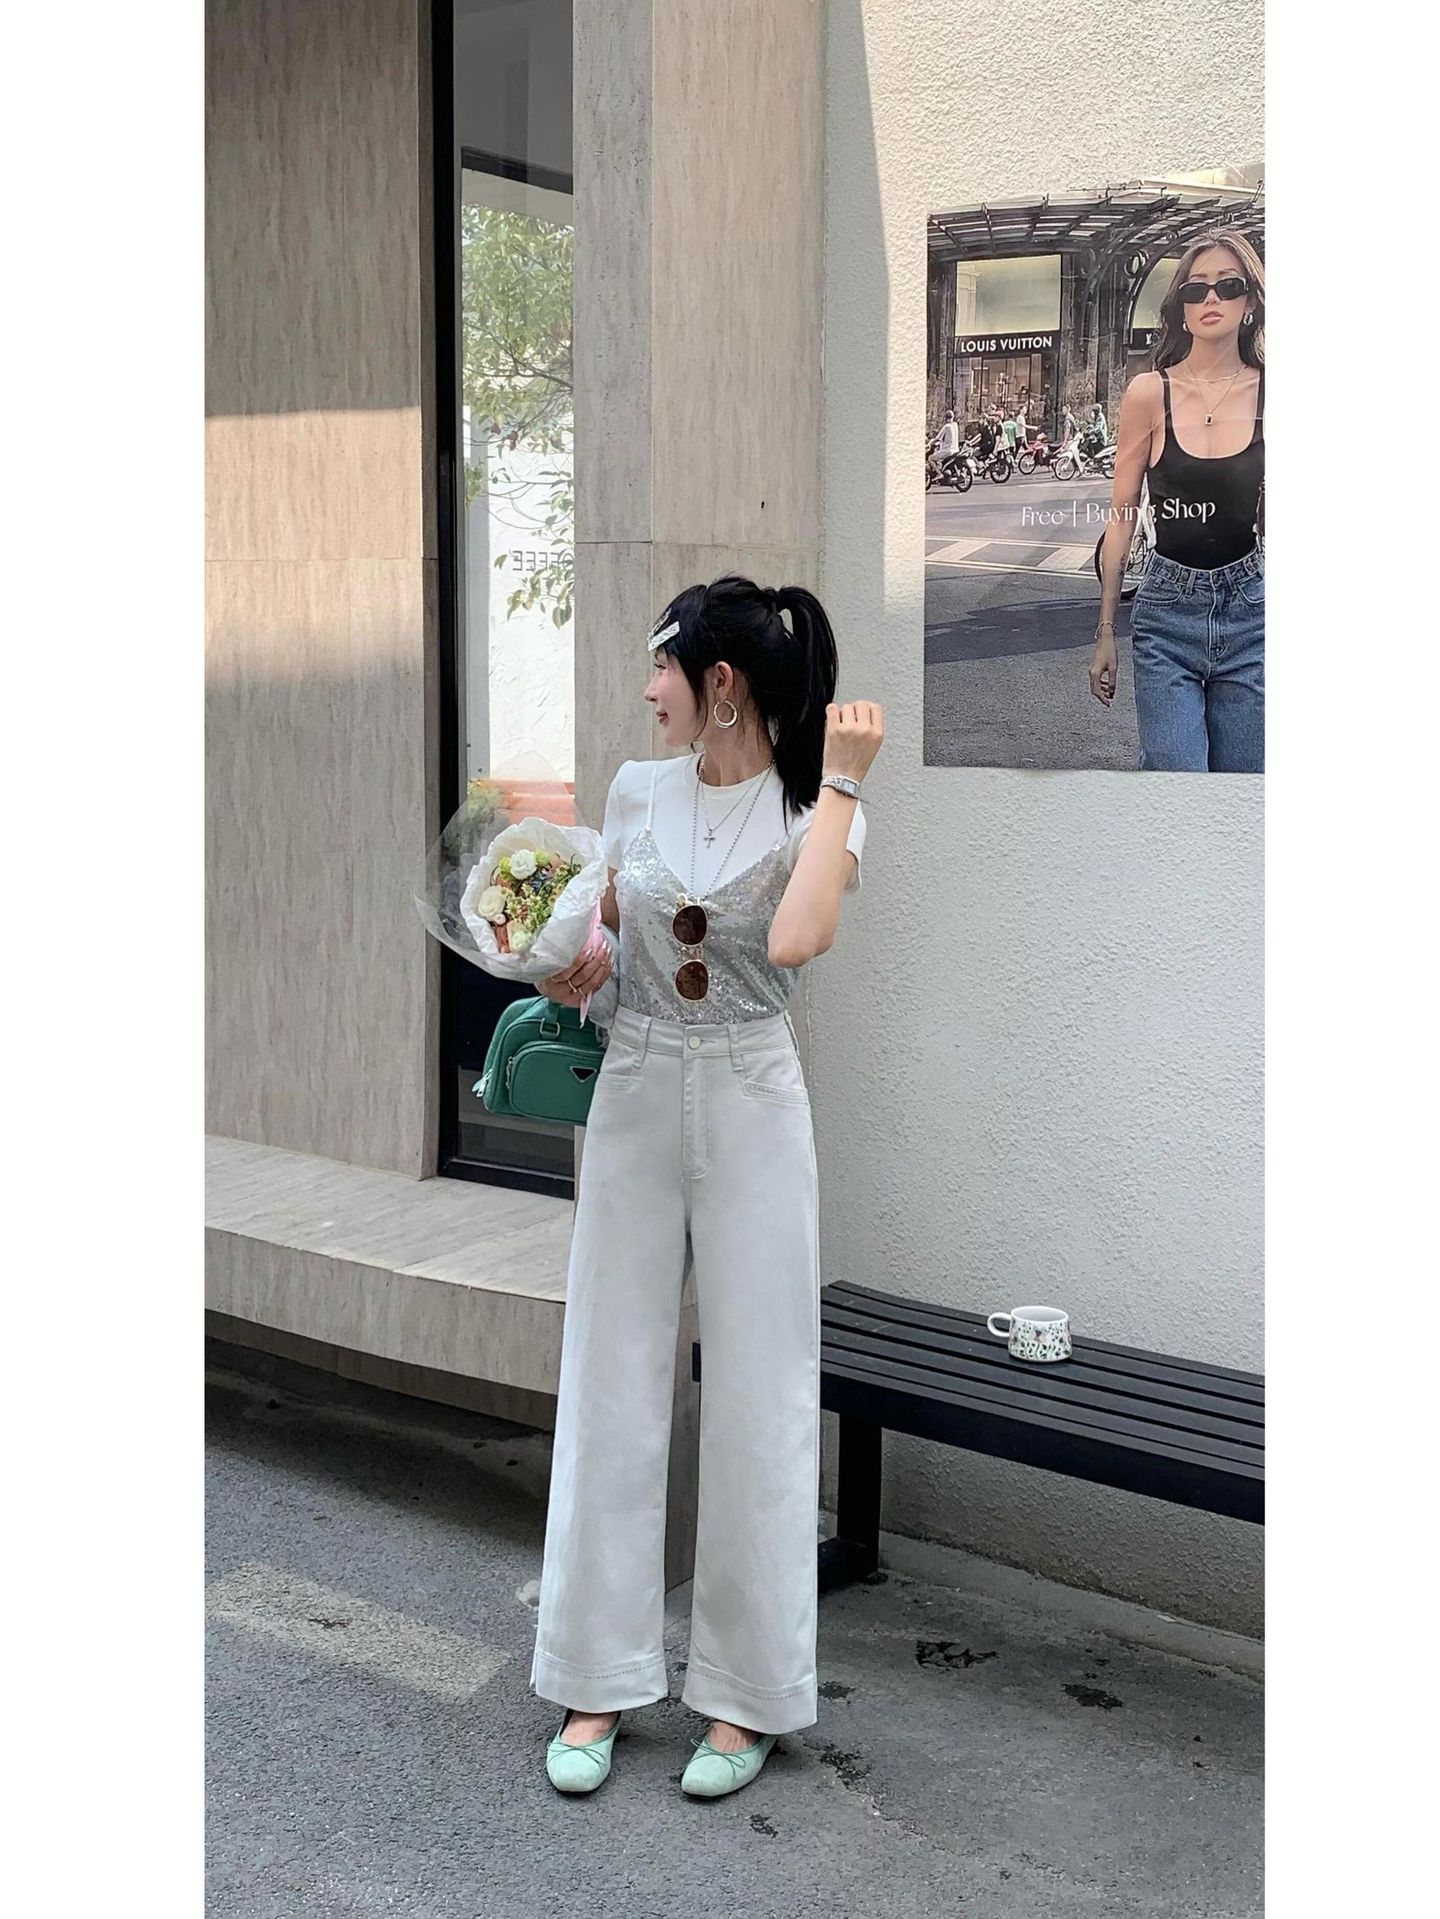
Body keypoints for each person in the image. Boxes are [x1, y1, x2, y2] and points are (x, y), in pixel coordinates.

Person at [528, 575, 884, 1799]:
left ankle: (746, 1698)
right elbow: (608, 948)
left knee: (760, 1389)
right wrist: (573, 969)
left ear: (719, 683)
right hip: (634, 1083)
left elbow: (794, 940)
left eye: (662, 667)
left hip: (752, 1095)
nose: (648, 690)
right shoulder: (637, 790)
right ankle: (594, 1675)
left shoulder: (820, 807)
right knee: (610, 1373)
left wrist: (846, 780)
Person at [1088, 232, 1264, 771]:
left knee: (1245, 793)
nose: (1211, 298)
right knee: (1175, 786)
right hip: (1166, 615)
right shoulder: (1149, 392)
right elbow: (1122, 516)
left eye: (1227, 286)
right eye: (1196, 289)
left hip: (1253, 612)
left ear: (1250, 303)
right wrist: (1105, 631)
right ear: (1181, 310)